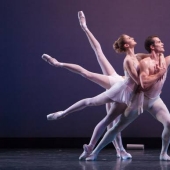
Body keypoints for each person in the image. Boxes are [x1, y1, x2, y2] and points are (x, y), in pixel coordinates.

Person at [85, 35, 170, 161]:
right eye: (159, 42)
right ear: (152, 47)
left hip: (155, 100)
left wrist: (161, 60)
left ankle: (163, 153)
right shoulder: (145, 63)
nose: (162, 43)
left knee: (169, 123)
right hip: (139, 100)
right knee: (116, 127)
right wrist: (159, 73)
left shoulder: (165, 59)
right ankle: (95, 152)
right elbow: (144, 83)